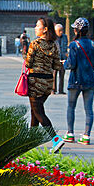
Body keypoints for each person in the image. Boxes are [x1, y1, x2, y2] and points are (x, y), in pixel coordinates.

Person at [62, 17, 94, 145]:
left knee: (71, 107)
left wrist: (65, 64)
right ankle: (86, 135)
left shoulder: (74, 45)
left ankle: (70, 134)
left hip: (75, 79)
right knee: (89, 109)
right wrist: (91, 65)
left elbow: (71, 64)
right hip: (90, 80)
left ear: (76, 31)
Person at [25, 17, 64, 152]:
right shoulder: (54, 45)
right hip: (48, 82)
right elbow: (57, 65)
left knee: (38, 111)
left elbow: (28, 63)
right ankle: (30, 140)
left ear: (45, 29)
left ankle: (55, 139)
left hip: (35, 81)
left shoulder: (34, 44)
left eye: (37, 26)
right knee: (34, 110)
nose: (35, 28)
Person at [52, 23, 68, 94]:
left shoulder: (65, 37)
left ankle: (61, 90)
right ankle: (53, 89)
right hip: (55, 59)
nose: (61, 32)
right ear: (55, 31)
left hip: (63, 59)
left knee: (62, 74)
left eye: (62, 30)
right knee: (54, 75)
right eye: (59, 31)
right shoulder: (53, 38)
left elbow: (65, 48)